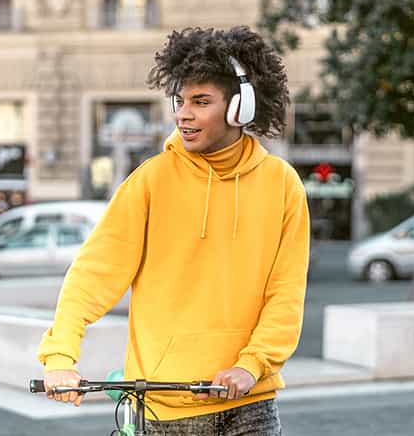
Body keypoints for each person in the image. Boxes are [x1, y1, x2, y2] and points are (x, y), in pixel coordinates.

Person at [37, 26, 309, 435]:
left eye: (201, 102)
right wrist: (60, 358)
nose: (184, 113)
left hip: (250, 404)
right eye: (180, 101)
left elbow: (285, 294)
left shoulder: (282, 185)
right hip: (165, 414)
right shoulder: (151, 181)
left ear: (241, 108)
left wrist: (251, 364)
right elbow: (94, 274)